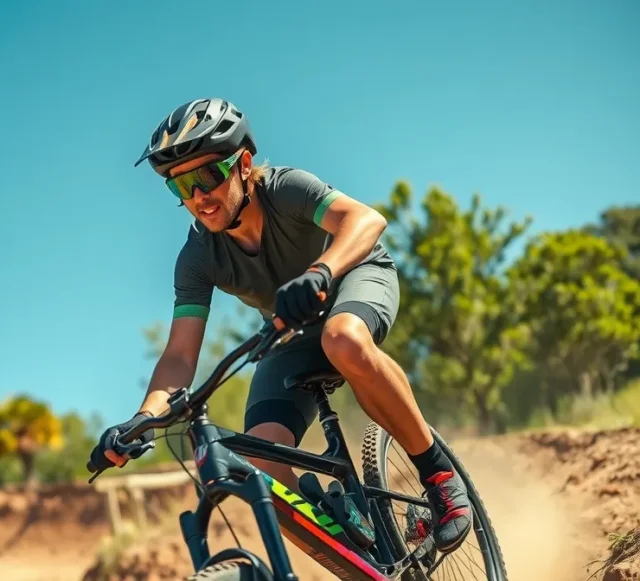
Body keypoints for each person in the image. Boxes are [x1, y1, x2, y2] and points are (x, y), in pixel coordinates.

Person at [87, 98, 472, 553]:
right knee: (258, 459)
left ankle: (438, 474)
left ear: (243, 164)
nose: (197, 198)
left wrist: (321, 271)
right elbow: (179, 356)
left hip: (353, 277)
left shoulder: (285, 189)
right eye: (180, 188)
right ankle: (367, 550)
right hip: (292, 328)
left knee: (343, 338)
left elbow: (366, 219)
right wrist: (141, 421)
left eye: (206, 178)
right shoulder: (196, 259)